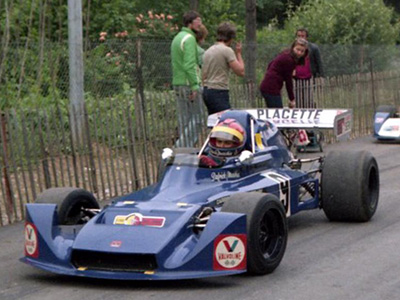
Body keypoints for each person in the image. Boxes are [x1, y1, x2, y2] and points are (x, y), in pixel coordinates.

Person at [171, 10, 203, 147]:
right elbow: (189, 64)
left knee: (184, 120)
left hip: (178, 82)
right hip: (188, 83)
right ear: (191, 22)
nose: (200, 24)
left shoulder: (178, 37)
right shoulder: (189, 39)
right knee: (198, 118)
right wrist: (195, 85)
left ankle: (184, 151)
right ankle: (180, 148)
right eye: (198, 21)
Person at [202, 22, 245, 115]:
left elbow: (203, 74)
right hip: (219, 91)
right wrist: (238, 53)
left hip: (207, 90)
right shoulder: (226, 50)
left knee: (214, 122)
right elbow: (241, 71)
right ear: (231, 37)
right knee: (225, 121)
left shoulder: (208, 51)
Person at [259, 38, 308, 108]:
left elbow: (271, 64)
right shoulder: (289, 60)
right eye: (298, 49)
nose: (299, 53)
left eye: (302, 51)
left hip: (269, 86)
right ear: (293, 47)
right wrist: (292, 99)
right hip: (271, 88)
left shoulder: (286, 54)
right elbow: (288, 81)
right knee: (277, 113)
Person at [294, 28, 324, 108]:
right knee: (298, 99)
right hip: (297, 78)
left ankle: (311, 111)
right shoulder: (294, 48)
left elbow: (319, 62)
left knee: (308, 99)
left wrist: (321, 76)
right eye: (299, 36)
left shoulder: (313, 48)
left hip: (309, 78)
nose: (301, 38)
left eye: (303, 36)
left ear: (306, 37)